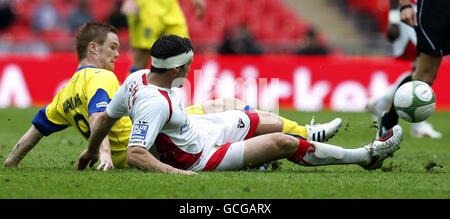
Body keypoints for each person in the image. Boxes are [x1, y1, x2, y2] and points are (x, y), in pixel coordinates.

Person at [78, 35, 403, 174]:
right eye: (190, 62)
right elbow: (136, 154)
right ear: (177, 68)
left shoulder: (137, 80)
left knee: (259, 117)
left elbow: (106, 118)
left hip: (201, 131)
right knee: (282, 142)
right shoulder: (154, 103)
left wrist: (93, 149)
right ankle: (365, 157)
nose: (192, 66)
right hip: (200, 157)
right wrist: (177, 176)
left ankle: (308, 135)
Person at [366, 0, 441, 138]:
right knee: (420, 69)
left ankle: (381, 103)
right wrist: (394, 19)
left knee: (422, 71)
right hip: (413, 13)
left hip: (435, 13)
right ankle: (415, 125)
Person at [120, 0, 205, 73]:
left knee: (183, 51)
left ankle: (162, 88)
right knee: (141, 59)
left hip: (170, 5)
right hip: (145, 5)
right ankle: (130, 90)